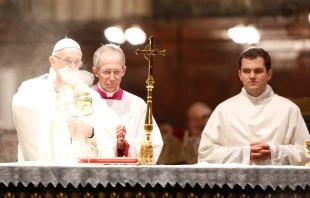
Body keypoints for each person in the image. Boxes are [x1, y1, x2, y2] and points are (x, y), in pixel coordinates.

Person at [198, 46, 310, 165]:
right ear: (240, 75)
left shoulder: (290, 109)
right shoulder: (223, 110)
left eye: (258, 71)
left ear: (269, 74)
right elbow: (206, 153)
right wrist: (244, 154)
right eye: (246, 71)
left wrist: (276, 152)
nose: (252, 76)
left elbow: (308, 151)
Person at [12, 38, 116, 162]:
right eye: (67, 61)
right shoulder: (33, 87)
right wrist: (54, 88)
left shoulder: (89, 94)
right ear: (52, 61)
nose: (72, 67)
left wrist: (91, 132)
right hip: (50, 172)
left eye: (76, 62)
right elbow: (22, 111)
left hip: (83, 173)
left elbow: (109, 134)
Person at [91, 44, 163, 162]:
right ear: (96, 71)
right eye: (106, 72)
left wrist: (123, 146)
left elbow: (153, 145)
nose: (112, 78)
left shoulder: (137, 104)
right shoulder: (84, 101)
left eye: (117, 71)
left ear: (124, 70)